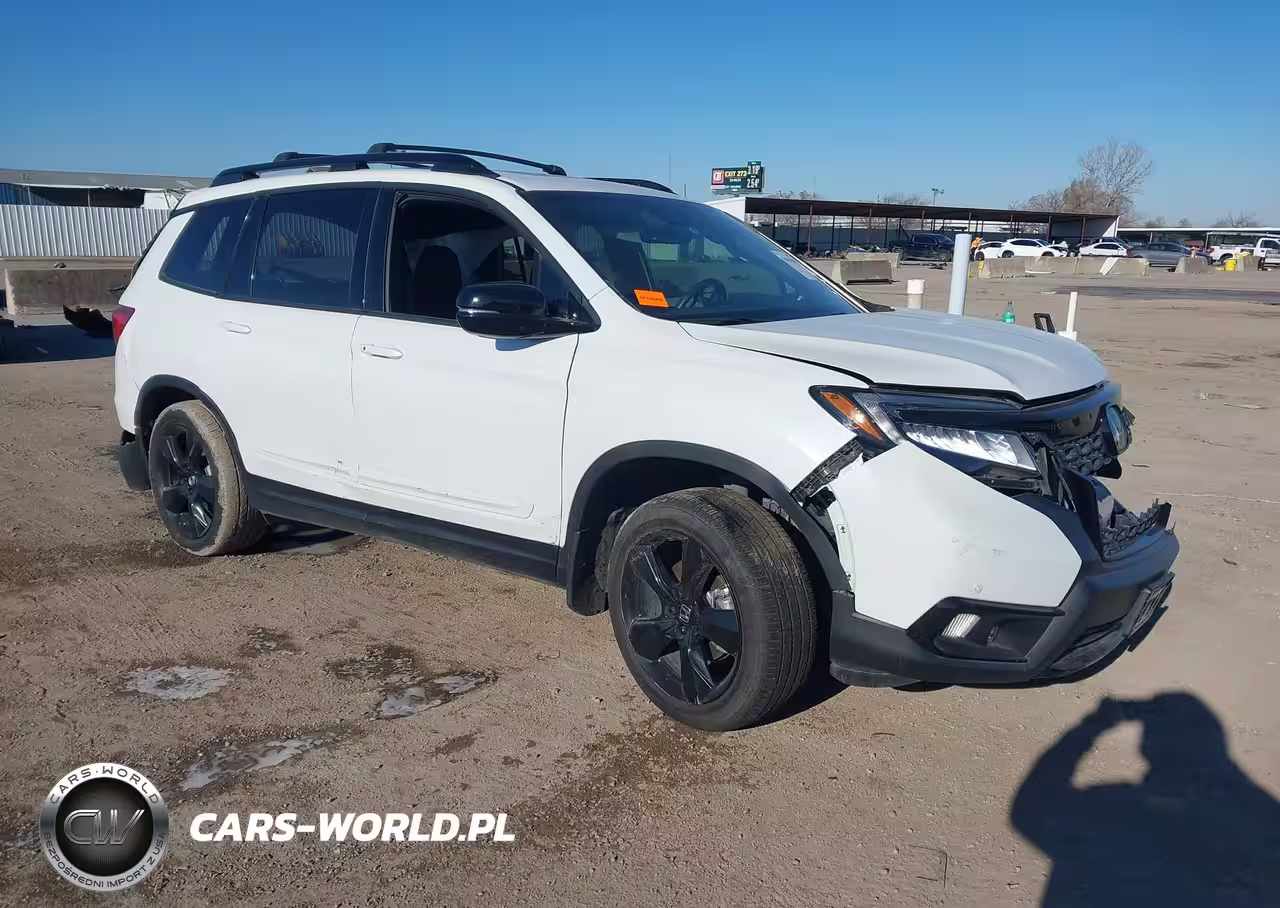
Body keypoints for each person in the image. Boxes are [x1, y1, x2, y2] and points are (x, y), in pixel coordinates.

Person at [1012, 694, 1280, 907]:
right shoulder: (1260, 821)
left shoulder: (1109, 808)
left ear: (1147, 748)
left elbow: (1030, 809)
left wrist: (1091, 727)